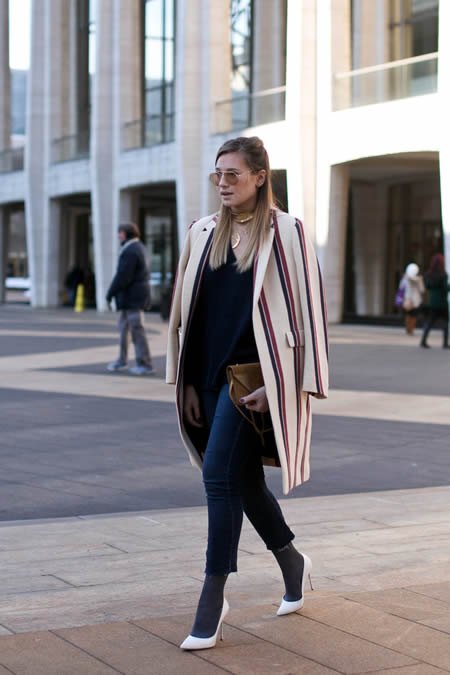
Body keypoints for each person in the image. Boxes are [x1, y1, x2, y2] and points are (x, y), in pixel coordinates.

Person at [166, 136, 329, 651]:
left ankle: (213, 596)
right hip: (208, 379)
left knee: (217, 476)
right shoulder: (201, 232)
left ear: (260, 177)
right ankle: (293, 562)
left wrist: (281, 385)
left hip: (252, 380)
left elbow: (309, 314)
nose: (223, 183)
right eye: (218, 174)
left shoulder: (287, 232)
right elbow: (186, 316)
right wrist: (186, 383)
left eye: (233, 174)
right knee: (245, 481)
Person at [106, 222, 154, 375]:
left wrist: (110, 293)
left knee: (137, 331)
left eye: (120, 233)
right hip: (133, 298)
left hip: (133, 299)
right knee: (124, 329)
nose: (118, 236)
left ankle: (145, 364)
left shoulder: (131, 250)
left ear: (126, 234)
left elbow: (123, 276)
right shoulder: (139, 247)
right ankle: (122, 360)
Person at [420, 253, 449, 349]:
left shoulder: (429, 275)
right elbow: (445, 288)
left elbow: (427, 286)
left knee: (429, 322)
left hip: (432, 302)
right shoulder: (443, 275)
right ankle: (445, 343)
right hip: (442, 302)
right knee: (445, 323)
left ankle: (423, 340)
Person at [395, 262, 424, 335]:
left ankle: (409, 329)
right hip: (413, 300)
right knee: (412, 315)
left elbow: (401, 288)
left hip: (409, 299)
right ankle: (410, 329)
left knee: (410, 315)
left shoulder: (412, 279)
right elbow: (422, 290)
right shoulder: (408, 279)